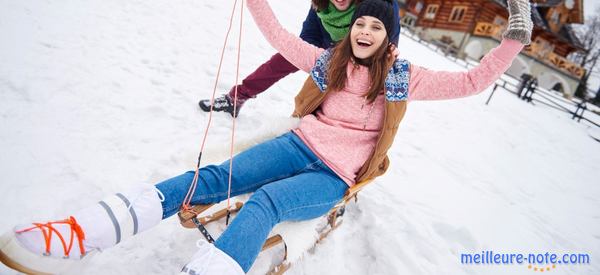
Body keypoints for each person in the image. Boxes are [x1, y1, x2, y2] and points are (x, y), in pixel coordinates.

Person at [0, 0, 533, 274]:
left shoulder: (403, 77)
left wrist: (513, 40)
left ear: (389, 35)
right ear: (351, 30)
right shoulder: (330, 61)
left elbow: (471, 80)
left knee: (265, 203)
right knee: (209, 178)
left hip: (332, 174)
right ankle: (83, 231)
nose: (366, 32)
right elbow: (278, 36)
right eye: (360, 25)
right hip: (301, 144)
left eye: (377, 26)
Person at [197, 0, 400, 117]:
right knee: (282, 60)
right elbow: (308, 35)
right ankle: (236, 98)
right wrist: (316, 58)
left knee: (338, 95)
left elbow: (386, 46)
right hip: (324, 48)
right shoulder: (321, 4)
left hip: (361, 57)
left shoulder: (377, 7)